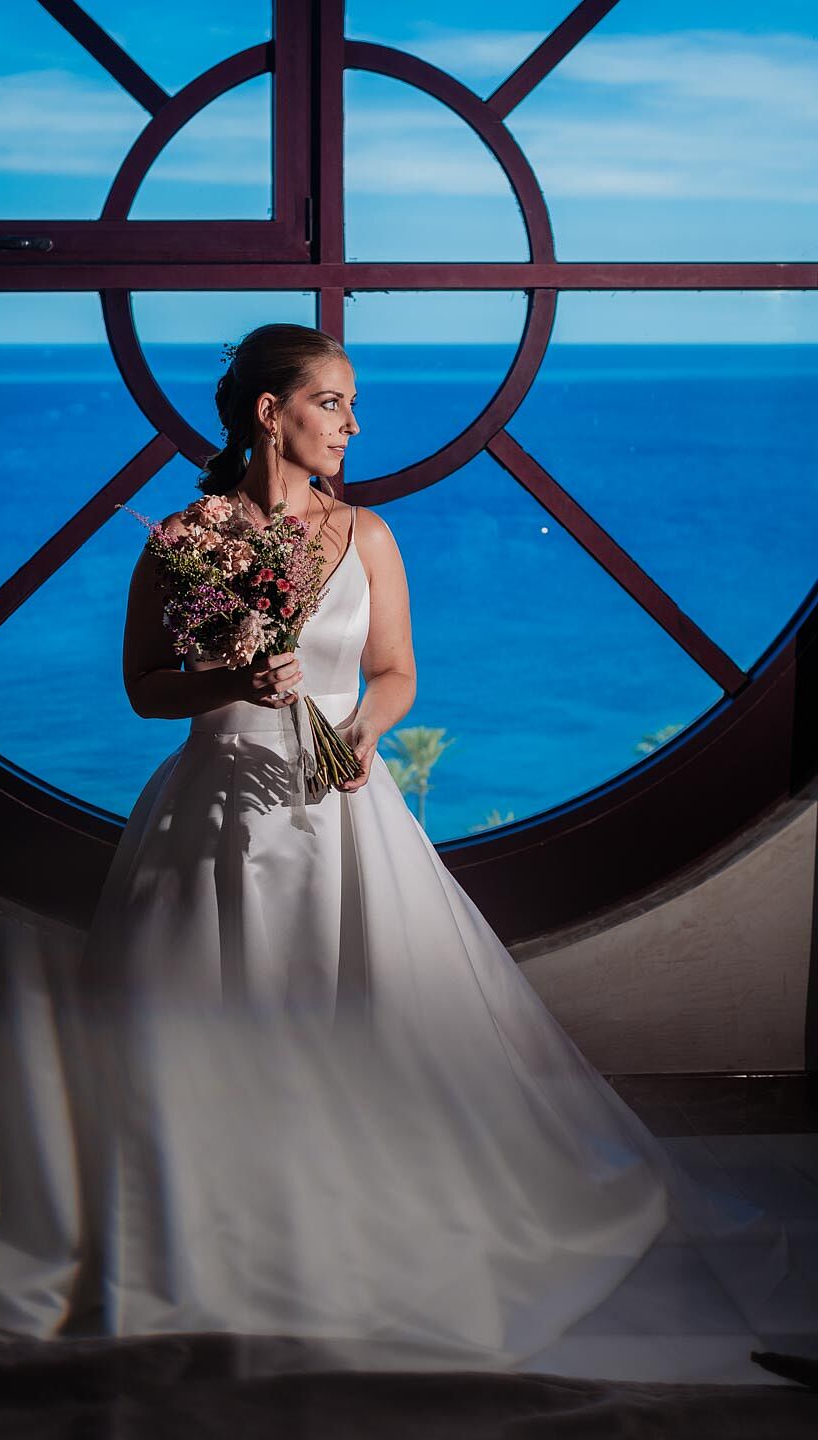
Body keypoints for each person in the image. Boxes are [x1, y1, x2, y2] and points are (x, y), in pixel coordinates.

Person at [74, 323, 789, 1376]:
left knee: (361, 1017)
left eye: (353, 405)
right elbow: (143, 687)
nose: (354, 425)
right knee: (199, 1026)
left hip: (336, 805)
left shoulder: (367, 535)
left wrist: (362, 732)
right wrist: (236, 681)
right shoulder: (183, 538)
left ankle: (356, 1213)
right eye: (333, 403)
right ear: (270, 413)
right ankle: (217, 1227)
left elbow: (397, 671)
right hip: (216, 807)